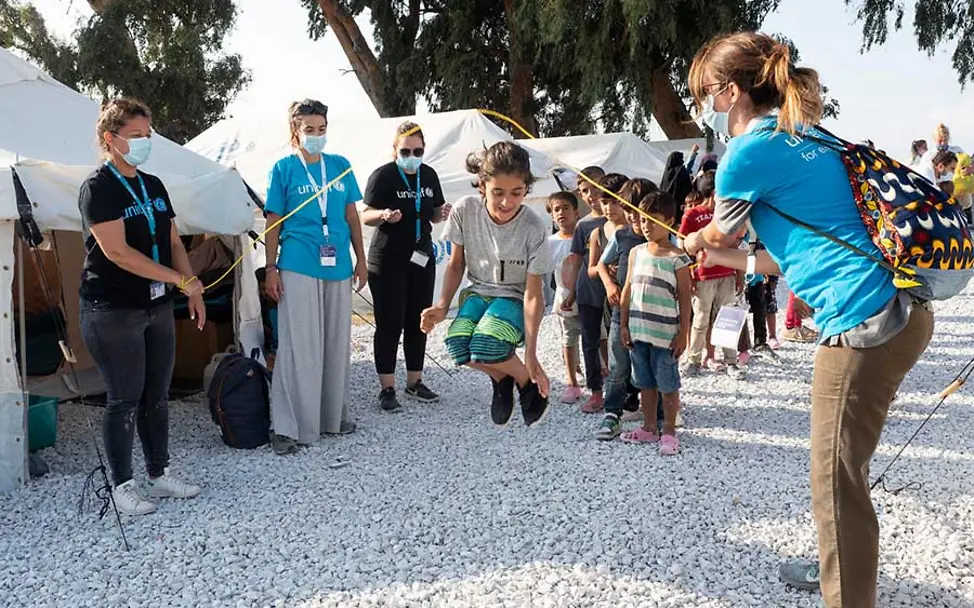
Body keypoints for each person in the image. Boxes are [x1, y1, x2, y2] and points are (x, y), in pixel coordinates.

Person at [682, 32, 934, 608]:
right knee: (843, 476)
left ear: (729, 92)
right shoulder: (810, 135)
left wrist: (699, 239)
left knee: (834, 485)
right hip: (903, 309)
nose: (705, 106)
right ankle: (840, 575)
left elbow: (719, 230)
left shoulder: (747, 153)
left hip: (862, 324)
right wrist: (727, 257)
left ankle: (846, 594)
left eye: (705, 94)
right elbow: (794, 251)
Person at [79, 98, 203, 516]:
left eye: (148, 135)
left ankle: (159, 471)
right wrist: (176, 279)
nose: (145, 142)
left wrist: (192, 288)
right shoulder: (98, 188)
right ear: (110, 139)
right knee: (123, 397)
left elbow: (171, 242)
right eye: (136, 136)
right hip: (112, 308)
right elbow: (118, 253)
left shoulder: (153, 185)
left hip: (157, 305)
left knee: (158, 393)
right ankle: (122, 484)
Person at [420, 141, 553, 427]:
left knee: (487, 343)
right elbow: (457, 263)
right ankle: (502, 377)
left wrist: (531, 355)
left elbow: (533, 294)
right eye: (498, 193)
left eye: (517, 193)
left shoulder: (533, 227)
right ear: (482, 185)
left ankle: (525, 381)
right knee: (457, 346)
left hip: (513, 297)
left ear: (527, 189)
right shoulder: (465, 209)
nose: (507, 202)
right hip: (478, 292)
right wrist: (442, 305)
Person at [263, 99, 367, 455]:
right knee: (299, 345)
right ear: (296, 130)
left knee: (335, 343)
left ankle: (331, 418)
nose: (317, 136)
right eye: (310, 130)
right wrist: (271, 267)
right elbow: (273, 221)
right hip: (297, 261)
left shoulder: (340, 166)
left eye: (322, 129)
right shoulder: (283, 169)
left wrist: (361, 260)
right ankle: (289, 426)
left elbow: (352, 216)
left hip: (337, 263)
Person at [362, 121, 450, 412]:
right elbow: (365, 215)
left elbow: (434, 214)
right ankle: (387, 388)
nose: (412, 155)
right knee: (390, 323)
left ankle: (415, 381)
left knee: (419, 320)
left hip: (421, 256)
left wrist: (442, 212)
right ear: (395, 150)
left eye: (418, 150)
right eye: (406, 150)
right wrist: (384, 214)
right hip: (388, 259)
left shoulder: (429, 174)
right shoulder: (384, 175)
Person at [619, 192, 691, 454]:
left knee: (668, 385)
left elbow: (685, 299)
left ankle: (669, 431)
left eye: (653, 220)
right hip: (639, 332)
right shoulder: (636, 252)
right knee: (644, 382)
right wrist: (624, 325)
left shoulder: (678, 258)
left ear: (669, 221)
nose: (646, 225)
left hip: (665, 334)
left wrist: (684, 333)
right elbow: (627, 289)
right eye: (642, 219)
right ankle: (649, 427)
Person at [594, 178, 655, 440]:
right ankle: (612, 413)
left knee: (655, 363)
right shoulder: (621, 236)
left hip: (655, 312)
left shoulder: (665, 237)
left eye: (638, 211)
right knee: (618, 365)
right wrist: (609, 284)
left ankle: (660, 412)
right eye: (628, 210)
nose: (633, 217)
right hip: (623, 311)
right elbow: (599, 264)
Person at [679, 170, 740, 374]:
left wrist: (739, 274)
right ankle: (694, 360)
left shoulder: (727, 215)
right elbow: (682, 244)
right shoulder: (692, 214)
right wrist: (689, 274)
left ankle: (731, 360)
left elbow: (736, 243)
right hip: (703, 276)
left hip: (728, 273)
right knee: (700, 319)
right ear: (715, 192)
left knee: (729, 317)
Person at [562, 166, 609, 414]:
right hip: (588, 290)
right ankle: (596, 392)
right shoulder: (583, 225)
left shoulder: (621, 221)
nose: (591, 195)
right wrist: (571, 294)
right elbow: (576, 260)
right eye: (585, 191)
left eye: (596, 188)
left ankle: (622, 389)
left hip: (616, 292)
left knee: (618, 341)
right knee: (589, 342)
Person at [545, 191, 583, 403]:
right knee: (568, 338)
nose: (561, 213)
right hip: (563, 297)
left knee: (597, 337)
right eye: (556, 209)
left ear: (576, 212)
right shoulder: (549, 242)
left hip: (588, 296)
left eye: (565, 208)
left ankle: (601, 374)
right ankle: (571, 380)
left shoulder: (585, 235)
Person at [659, 151, 694, 224]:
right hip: (679, 204)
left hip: (666, 204)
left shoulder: (666, 172)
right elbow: (687, 188)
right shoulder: (681, 170)